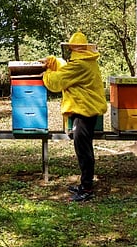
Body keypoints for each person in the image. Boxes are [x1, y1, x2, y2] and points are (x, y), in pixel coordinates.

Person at [41, 31, 107, 202]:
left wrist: (47, 71)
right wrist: (53, 61)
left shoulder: (80, 65)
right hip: (84, 110)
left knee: (84, 150)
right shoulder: (86, 61)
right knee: (82, 148)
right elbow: (65, 67)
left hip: (85, 112)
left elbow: (57, 82)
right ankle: (84, 184)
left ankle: (87, 188)